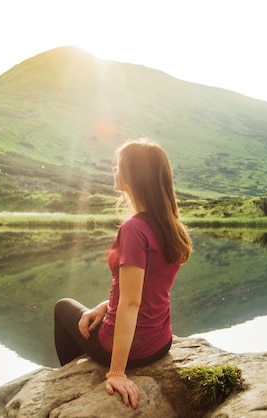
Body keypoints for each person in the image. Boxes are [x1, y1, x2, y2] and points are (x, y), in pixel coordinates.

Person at [54, 138, 192, 409]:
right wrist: (105, 306)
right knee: (84, 313)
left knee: (63, 308)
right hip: (161, 343)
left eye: (118, 166)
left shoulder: (133, 229)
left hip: (132, 351)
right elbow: (148, 287)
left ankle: (70, 379)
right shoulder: (171, 226)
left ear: (134, 174)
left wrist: (117, 371)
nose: (114, 171)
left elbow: (131, 303)